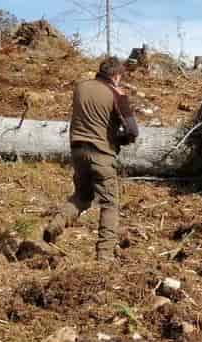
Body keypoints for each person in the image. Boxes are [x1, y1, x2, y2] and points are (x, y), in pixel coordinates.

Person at [42, 57, 139, 262]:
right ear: (116, 75)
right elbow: (132, 130)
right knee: (109, 204)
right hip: (101, 154)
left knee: (83, 197)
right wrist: (120, 139)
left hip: (77, 151)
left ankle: (56, 224)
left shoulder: (81, 87)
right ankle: (104, 255)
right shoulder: (116, 94)